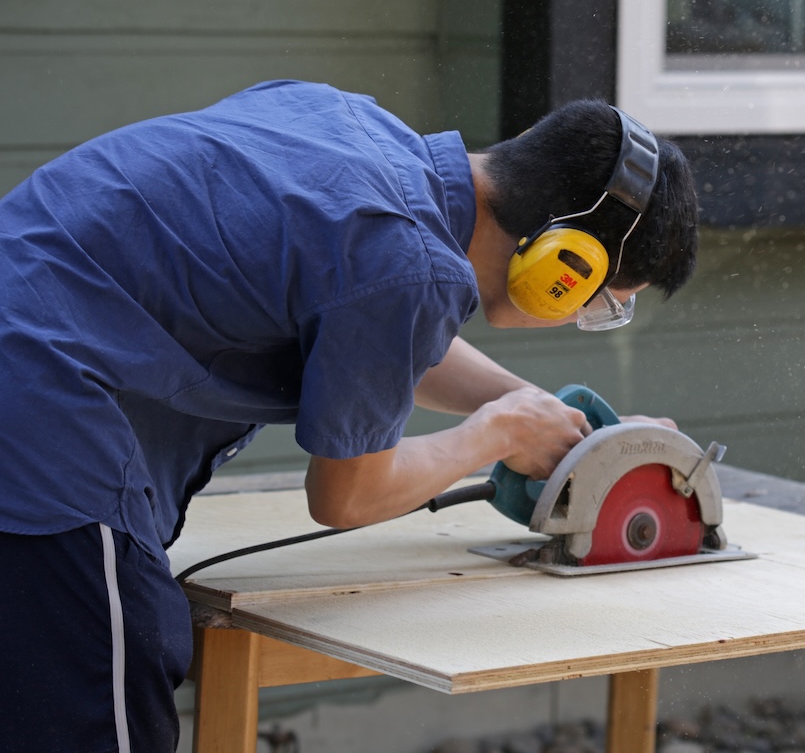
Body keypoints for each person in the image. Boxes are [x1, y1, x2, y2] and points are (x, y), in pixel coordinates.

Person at [0, 80, 699, 753]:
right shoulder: (403, 262)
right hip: (38, 404)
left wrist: (543, 419)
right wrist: (496, 433)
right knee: (108, 680)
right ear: (564, 263)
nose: (583, 313)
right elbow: (346, 496)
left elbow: (373, 334)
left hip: (29, 339)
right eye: (602, 301)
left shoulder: (354, 129)